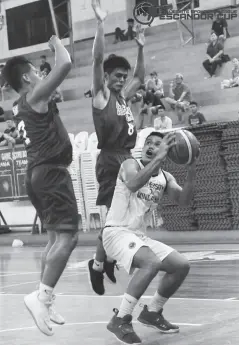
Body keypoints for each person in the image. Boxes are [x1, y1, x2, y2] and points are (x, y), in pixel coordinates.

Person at [2, 36, 78, 336]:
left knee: (53, 238)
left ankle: (44, 298)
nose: (39, 75)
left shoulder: (22, 104)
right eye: (35, 71)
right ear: (25, 77)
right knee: (69, 238)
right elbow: (66, 64)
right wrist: (56, 43)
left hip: (38, 173)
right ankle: (42, 296)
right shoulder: (34, 96)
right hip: (50, 173)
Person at [102, 131, 197, 344]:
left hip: (137, 236)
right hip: (115, 231)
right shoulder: (129, 164)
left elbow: (184, 200)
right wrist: (159, 157)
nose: (151, 146)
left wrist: (191, 171)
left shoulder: (164, 177)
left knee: (181, 265)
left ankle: (152, 312)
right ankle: (121, 318)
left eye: (157, 144)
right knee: (151, 263)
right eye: (148, 143)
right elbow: (134, 183)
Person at [88, 0, 145, 296]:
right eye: (117, 75)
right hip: (111, 160)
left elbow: (140, 79)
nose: (122, 79)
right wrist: (100, 24)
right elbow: (97, 61)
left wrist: (140, 47)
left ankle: (105, 261)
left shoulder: (123, 96)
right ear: (107, 78)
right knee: (115, 221)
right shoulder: (101, 96)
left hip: (127, 158)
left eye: (123, 76)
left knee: (123, 219)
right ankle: (98, 264)